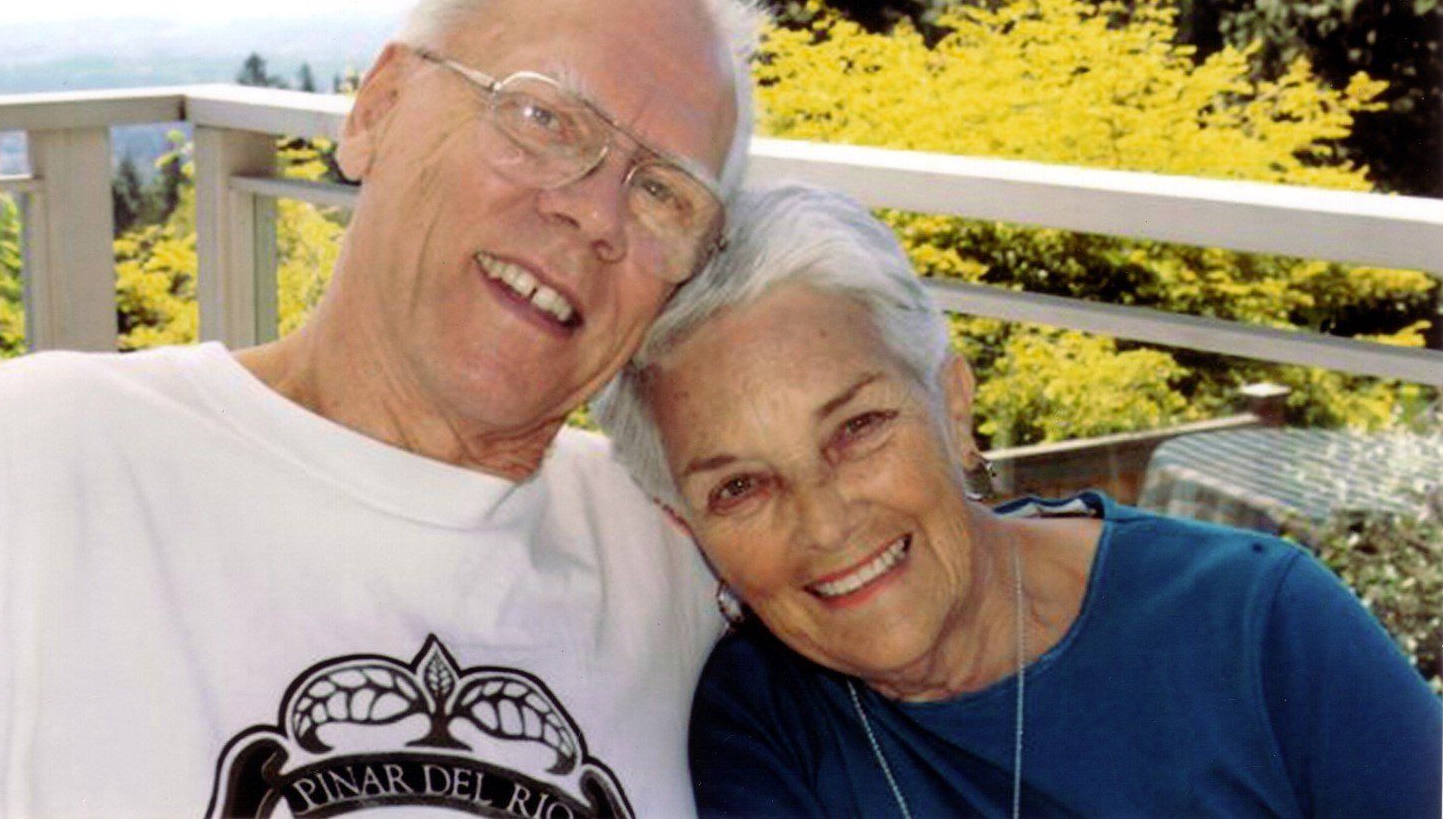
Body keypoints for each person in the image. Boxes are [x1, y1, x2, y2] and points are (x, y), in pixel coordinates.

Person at [0, 0, 761, 817]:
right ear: (378, 109)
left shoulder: (684, 558)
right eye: (544, 119)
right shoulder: (20, 464)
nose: (597, 213)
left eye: (663, 194)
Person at [595, 183, 1443, 818]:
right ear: (687, 525)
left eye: (856, 427)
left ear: (951, 403)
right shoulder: (760, 729)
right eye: (739, 486)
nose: (825, 522)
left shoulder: (1258, 627)